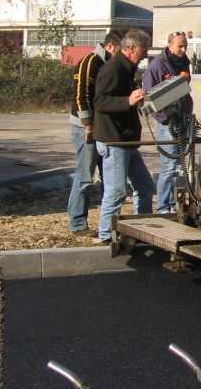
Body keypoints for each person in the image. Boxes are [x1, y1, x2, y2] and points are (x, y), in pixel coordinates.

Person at [92, 29, 155, 246]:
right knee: (116, 191)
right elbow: (100, 102)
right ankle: (105, 236)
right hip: (113, 140)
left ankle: (143, 229)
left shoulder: (127, 69)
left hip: (126, 141)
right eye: (144, 50)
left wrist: (135, 99)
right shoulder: (112, 69)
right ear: (132, 48)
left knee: (145, 185)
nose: (145, 55)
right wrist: (127, 101)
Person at [66, 31, 122, 235]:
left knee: (108, 177)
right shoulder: (90, 62)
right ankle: (77, 223)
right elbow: (80, 95)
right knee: (85, 177)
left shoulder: (109, 64)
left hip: (101, 126)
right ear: (110, 46)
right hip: (85, 127)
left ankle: (107, 224)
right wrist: (88, 125)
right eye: (119, 49)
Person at [142, 31, 194, 214]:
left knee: (179, 165)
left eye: (185, 46)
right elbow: (149, 98)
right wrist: (165, 118)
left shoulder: (183, 63)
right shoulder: (157, 65)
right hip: (167, 123)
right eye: (180, 46)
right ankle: (163, 206)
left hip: (182, 119)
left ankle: (172, 203)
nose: (183, 49)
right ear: (170, 46)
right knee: (169, 166)